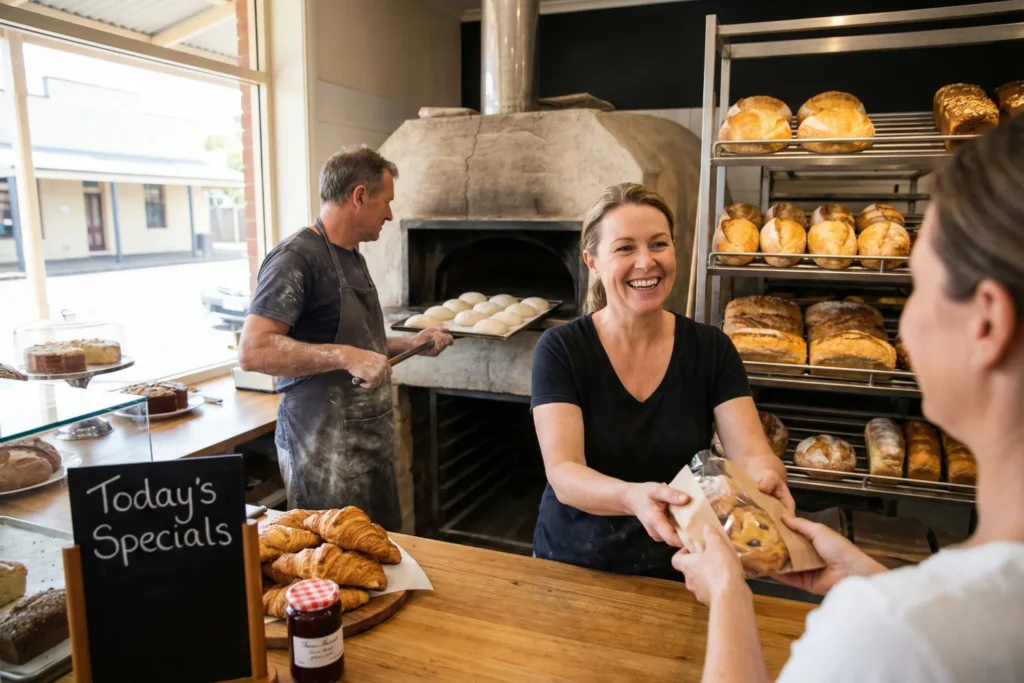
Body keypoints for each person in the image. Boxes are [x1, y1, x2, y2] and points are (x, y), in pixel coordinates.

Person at [673, 116, 1024, 682]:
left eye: (918, 287)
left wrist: (729, 593)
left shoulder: (886, 634)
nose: (903, 325)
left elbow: (913, 640)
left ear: (987, 322)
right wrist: (869, 579)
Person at [530, 182, 794, 579]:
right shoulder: (562, 349)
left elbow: (751, 451)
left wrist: (765, 476)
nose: (646, 262)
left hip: (685, 560)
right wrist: (630, 496)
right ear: (593, 263)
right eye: (625, 248)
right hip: (573, 562)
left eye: (658, 244)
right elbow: (565, 472)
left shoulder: (711, 348)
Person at [238, 147, 452, 528]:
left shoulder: (352, 255)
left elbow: (361, 343)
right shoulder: (295, 258)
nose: (389, 214)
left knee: (381, 552)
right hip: (322, 451)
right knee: (335, 564)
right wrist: (343, 356)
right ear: (359, 196)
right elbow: (254, 350)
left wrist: (412, 344)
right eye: (385, 202)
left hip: (369, 443)